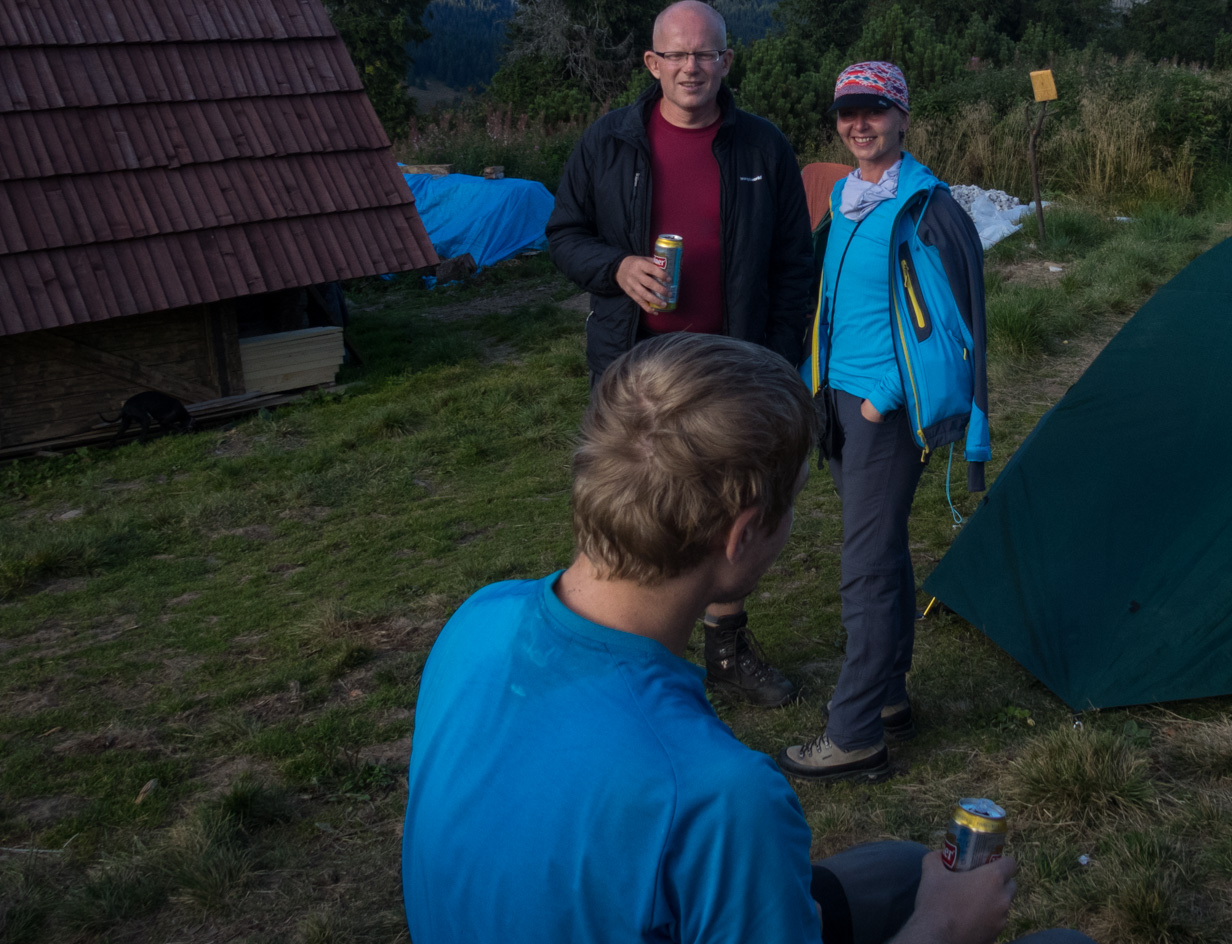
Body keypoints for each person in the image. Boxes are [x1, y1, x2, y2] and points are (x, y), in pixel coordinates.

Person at [401, 333, 1093, 944]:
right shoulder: (715, 798)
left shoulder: (478, 617)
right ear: (741, 534)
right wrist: (944, 928)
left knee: (890, 868)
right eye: (795, 501)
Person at [546, 0, 813, 707]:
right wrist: (616, 270)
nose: (692, 67)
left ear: (727, 61)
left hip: (735, 364)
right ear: (652, 63)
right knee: (632, 508)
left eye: (706, 54)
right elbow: (563, 235)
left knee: (735, 506)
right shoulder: (609, 143)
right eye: (678, 54)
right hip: (637, 369)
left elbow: (794, 266)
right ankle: (624, 651)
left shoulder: (762, 146)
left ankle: (725, 651)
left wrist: (778, 361)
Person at [781, 61, 991, 783]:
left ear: (902, 117)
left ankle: (855, 732)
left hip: (882, 413)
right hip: (835, 403)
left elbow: (958, 325)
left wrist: (888, 398)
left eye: (874, 109)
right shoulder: (844, 197)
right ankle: (891, 695)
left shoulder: (929, 208)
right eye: (847, 112)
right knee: (883, 551)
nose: (859, 123)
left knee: (863, 570)